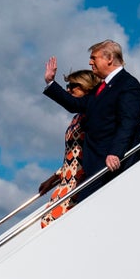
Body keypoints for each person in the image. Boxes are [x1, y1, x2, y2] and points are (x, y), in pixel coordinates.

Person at [42, 40, 140, 202]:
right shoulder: (101, 88)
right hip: (95, 164)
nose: (90, 62)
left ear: (109, 58)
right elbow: (75, 104)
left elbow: (128, 122)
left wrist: (115, 153)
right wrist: (50, 82)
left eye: (93, 58)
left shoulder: (128, 85)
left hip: (113, 165)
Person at [39, 70, 101, 227]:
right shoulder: (77, 118)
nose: (68, 90)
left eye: (72, 86)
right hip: (67, 180)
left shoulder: (91, 115)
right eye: (67, 85)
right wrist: (55, 176)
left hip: (79, 180)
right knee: (47, 222)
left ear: (86, 87)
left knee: (52, 222)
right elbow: (72, 153)